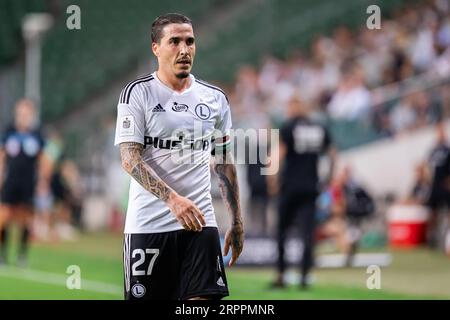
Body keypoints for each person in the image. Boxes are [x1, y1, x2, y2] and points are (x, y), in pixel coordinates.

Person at [114, 13, 244, 300]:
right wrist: (173, 200)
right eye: (174, 41)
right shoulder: (138, 94)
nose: (184, 50)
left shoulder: (215, 98)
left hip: (201, 225)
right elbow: (129, 158)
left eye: (190, 41)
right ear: (156, 48)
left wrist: (236, 221)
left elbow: (223, 162)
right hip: (149, 226)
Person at [272, 94, 335, 289]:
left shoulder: (289, 126)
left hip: (290, 186)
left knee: (282, 231)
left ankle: (282, 275)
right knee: (308, 233)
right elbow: (332, 155)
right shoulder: (319, 128)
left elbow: (279, 155)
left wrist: (272, 179)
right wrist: (328, 179)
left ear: (294, 107)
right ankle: (305, 276)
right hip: (311, 187)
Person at [0, 99, 50, 266]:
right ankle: (3, 253)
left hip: (28, 182)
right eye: (21, 113)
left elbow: (43, 159)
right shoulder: (9, 131)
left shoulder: (37, 134)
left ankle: (22, 255)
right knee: (5, 216)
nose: (23, 116)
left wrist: (43, 181)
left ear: (31, 115)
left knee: (24, 218)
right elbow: (2, 155)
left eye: (26, 114)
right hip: (10, 180)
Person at [426, 122, 450, 249]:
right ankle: (432, 238)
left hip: (445, 185)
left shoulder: (447, 149)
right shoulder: (433, 150)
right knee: (432, 212)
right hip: (435, 186)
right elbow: (428, 166)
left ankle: (448, 239)